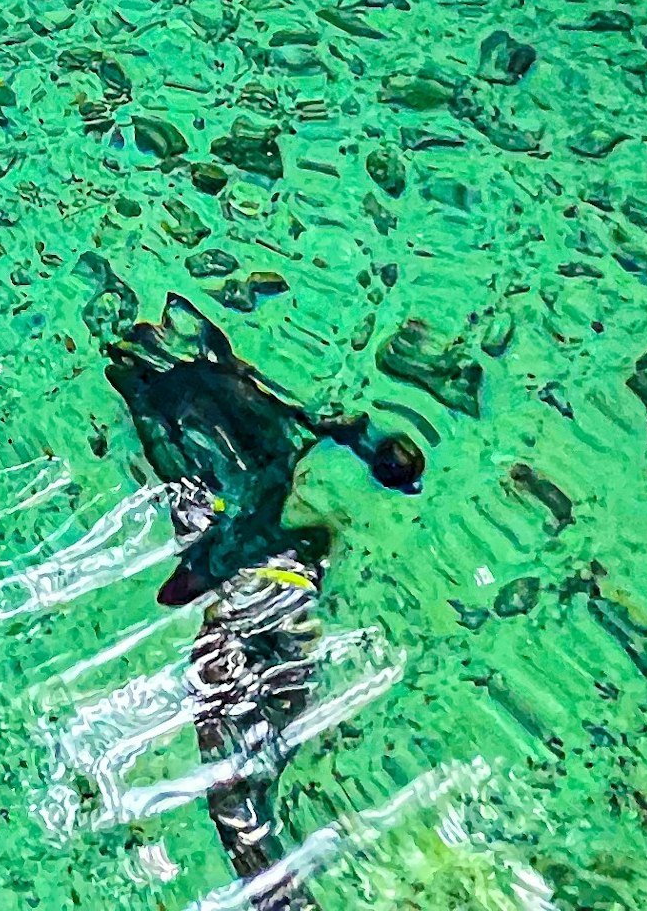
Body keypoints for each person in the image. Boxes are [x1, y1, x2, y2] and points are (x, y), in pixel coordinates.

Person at [104, 294, 424, 887]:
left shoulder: (276, 478)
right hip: (273, 588)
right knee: (242, 773)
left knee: (236, 772)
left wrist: (207, 566)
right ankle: (274, 881)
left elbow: (183, 586)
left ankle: (272, 882)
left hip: (260, 596)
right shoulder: (310, 439)